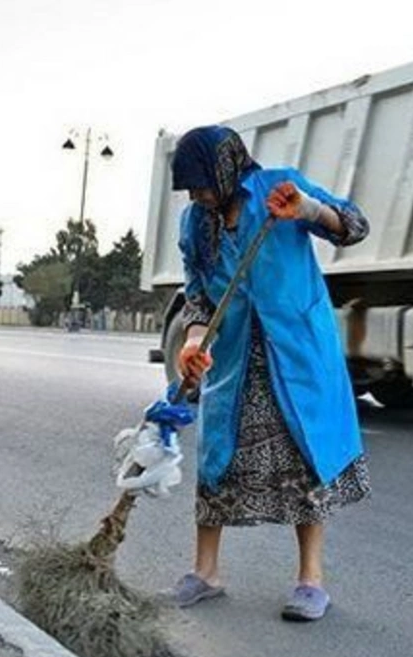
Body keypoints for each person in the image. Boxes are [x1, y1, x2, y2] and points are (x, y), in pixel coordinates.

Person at [168, 125, 370, 622]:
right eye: (191, 188)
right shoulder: (196, 223)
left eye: (202, 183)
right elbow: (197, 294)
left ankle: (310, 581)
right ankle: (206, 572)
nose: (197, 195)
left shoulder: (280, 187)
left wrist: (308, 209)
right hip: (236, 359)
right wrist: (194, 343)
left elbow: (353, 225)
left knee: (304, 464)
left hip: (296, 352)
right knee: (217, 461)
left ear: (227, 168)